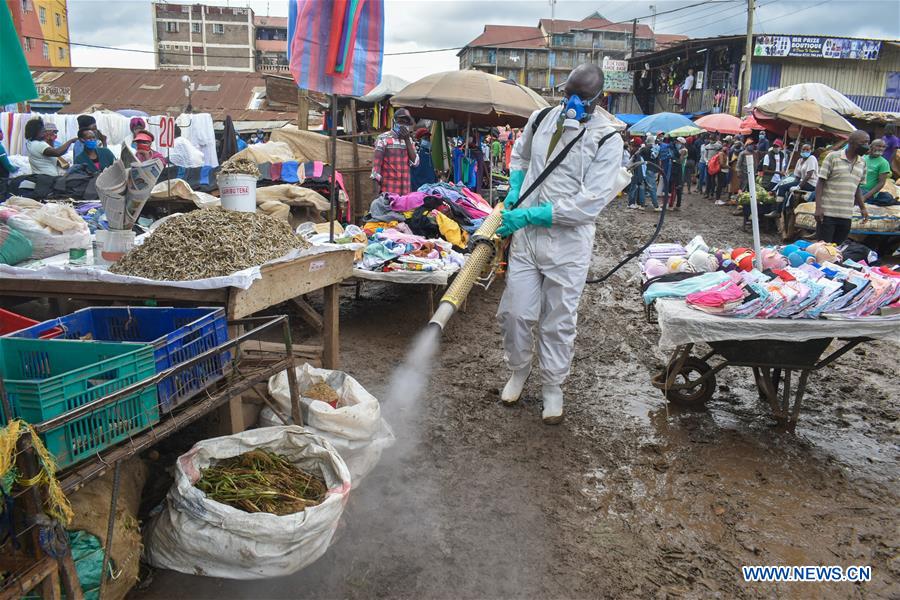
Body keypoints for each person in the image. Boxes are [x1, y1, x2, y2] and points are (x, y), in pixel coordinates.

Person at [496, 64, 624, 424]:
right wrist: (516, 189)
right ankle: (519, 370)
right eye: (568, 94)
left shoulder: (607, 139)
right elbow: (520, 155)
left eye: (581, 99)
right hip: (528, 241)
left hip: (568, 245)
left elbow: (589, 203)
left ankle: (553, 387)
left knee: (558, 320)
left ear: (599, 100)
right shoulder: (540, 119)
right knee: (516, 313)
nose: (571, 103)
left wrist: (529, 216)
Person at [814, 130, 870, 244]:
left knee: (838, 251)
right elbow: (820, 183)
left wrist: (863, 208)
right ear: (852, 142)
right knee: (824, 249)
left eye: (868, 143)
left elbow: (857, 187)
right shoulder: (833, 157)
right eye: (863, 143)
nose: (866, 146)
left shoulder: (862, 162)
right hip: (827, 214)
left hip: (846, 215)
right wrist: (818, 208)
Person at [371, 108, 418, 195]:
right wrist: (375, 195)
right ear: (394, 121)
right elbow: (376, 169)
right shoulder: (383, 138)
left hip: (405, 192)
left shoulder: (409, 141)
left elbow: (415, 163)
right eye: (400, 122)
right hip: (389, 192)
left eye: (405, 122)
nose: (403, 125)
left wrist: (407, 139)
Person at [775, 142, 818, 208]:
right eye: (803, 150)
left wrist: (798, 186)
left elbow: (809, 175)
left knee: (782, 188)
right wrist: (793, 184)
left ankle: (777, 211)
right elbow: (797, 176)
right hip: (803, 183)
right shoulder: (800, 160)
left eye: (807, 150)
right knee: (783, 187)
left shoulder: (812, 158)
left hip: (811, 184)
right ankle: (780, 209)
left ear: (811, 151)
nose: (805, 151)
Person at [860, 139, 895, 206]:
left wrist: (865, 197)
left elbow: (881, 183)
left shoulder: (883, 163)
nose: (881, 148)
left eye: (883, 147)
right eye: (878, 146)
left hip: (867, 192)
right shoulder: (863, 158)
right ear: (871, 146)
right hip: (857, 188)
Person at [668, 137, 687, 210]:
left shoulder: (684, 150)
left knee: (675, 187)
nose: (676, 143)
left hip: (679, 171)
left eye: (678, 142)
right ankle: (677, 205)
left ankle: (671, 205)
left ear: (681, 143)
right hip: (677, 170)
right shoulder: (678, 150)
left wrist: (674, 160)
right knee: (678, 188)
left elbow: (681, 161)